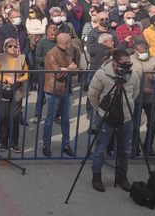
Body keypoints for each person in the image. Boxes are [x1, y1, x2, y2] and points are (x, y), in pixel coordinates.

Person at [87, 48, 140, 192]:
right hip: (107, 116)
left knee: (125, 150)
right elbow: (92, 95)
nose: (127, 66)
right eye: (124, 64)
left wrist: (126, 106)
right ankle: (96, 177)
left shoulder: (133, 75)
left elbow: (134, 93)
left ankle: (122, 177)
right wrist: (100, 110)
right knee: (100, 148)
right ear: (115, 63)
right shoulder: (102, 74)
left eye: (129, 63)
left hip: (126, 117)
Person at [42, 32, 79, 157]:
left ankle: (66, 144)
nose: (71, 44)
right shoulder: (51, 54)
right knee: (50, 119)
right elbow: (57, 73)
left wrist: (67, 68)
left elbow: (75, 69)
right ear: (66, 43)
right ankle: (46, 144)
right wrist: (68, 68)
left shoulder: (68, 52)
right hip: (53, 90)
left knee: (66, 119)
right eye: (69, 42)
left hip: (65, 89)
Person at [0, 37, 28, 152]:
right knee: (3, 117)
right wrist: (6, 78)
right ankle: (3, 142)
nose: (13, 48)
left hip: (17, 91)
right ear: (5, 47)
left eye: (15, 46)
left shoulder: (22, 58)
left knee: (15, 118)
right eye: (10, 46)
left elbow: (26, 74)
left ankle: (14, 143)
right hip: (2, 92)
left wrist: (19, 79)